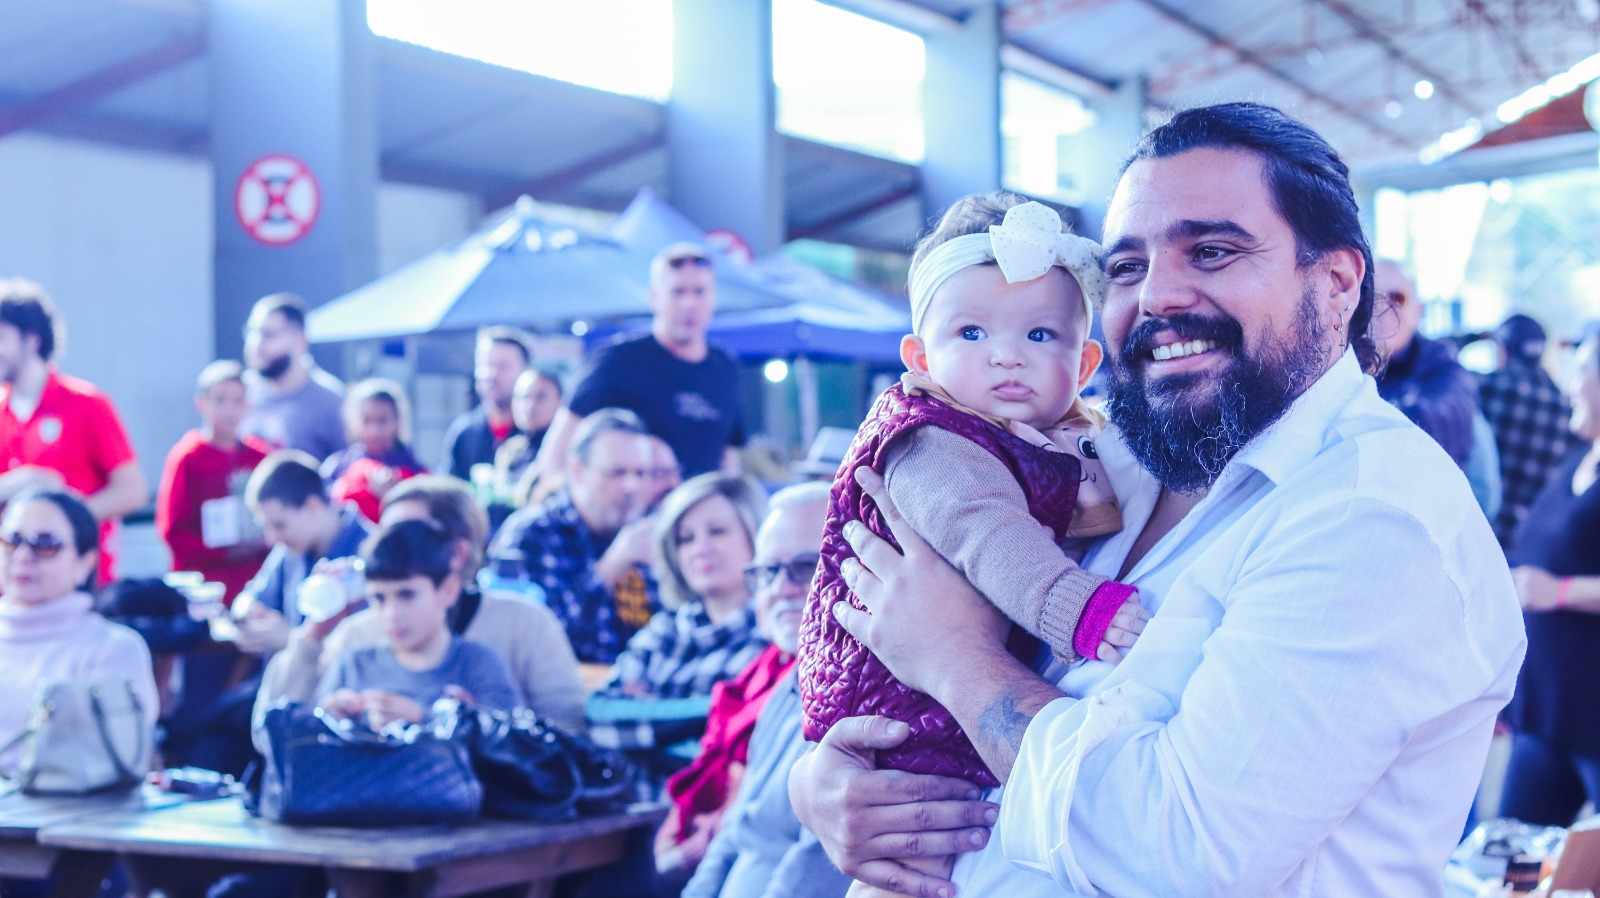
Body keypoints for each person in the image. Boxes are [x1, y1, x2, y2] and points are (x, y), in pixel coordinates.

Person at [788, 102, 1525, 898]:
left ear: (1339, 282)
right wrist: (826, 786)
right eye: (1129, 267)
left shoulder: (1374, 517)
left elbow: (1172, 857)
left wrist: (953, 661)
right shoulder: (1112, 458)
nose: (1159, 296)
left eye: (1211, 251)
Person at [253, 474, 586, 737]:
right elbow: (270, 737)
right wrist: (312, 636)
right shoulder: (359, 636)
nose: (390, 549)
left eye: (409, 535)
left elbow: (567, 731)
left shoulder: (523, 625)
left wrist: (457, 727)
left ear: (458, 551)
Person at [680, 482, 852, 898]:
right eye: (768, 572)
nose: (782, 588)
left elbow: (816, 865)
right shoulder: (783, 691)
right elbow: (733, 835)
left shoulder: (867, 701)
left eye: (804, 566)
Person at [1497, 322, 1600, 826]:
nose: (1570, 387)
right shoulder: (1578, 458)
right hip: (1544, 711)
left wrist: (1556, 591)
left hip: (1594, 721)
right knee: (1513, 863)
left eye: (1582, 372)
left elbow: (1549, 582)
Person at [536, 243, 746, 481]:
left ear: (713, 298)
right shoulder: (617, 361)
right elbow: (557, 453)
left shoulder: (724, 368)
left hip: (694, 511)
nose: (689, 304)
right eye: (677, 292)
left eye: (699, 292)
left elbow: (728, 456)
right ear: (654, 298)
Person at [0, 489, 159, 775]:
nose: (23, 556)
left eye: (45, 544)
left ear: (85, 564)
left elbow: (113, 761)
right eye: (12, 541)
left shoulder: (113, 649)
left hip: (66, 814)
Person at [0, 279, 147, 585]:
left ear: (31, 339)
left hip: (81, 585)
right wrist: (14, 484)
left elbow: (132, 491)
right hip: (13, 586)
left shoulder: (86, 404)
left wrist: (63, 520)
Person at [489, 409, 657, 664]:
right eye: (617, 473)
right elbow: (525, 642)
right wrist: (609, 569)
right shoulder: (532, 533)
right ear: (578, 471)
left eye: (641, 474)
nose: (631, 487)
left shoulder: (652, 534)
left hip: (641, 697)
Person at [316, 520, 519, 727]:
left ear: (448, 590)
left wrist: (428, 721)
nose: (392, 614)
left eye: (407, 595)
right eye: (379, 599)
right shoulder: (353, 666)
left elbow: (512, 749)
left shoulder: (479, 666)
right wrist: (329, 721)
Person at [602, 473, 768, 700]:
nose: (701, 549)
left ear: (756, 535)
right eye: (686, 538)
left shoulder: (773, 632)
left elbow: (735, 729)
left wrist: (648, 708)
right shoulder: (662, 631)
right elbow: (603, 712)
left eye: (717, 531)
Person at [1372, 260, 1502, 515]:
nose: (1382, 308)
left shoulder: (1441, 366)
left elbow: (1442, 424)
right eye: (1369, 297)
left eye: (1396, 297)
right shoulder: (1335, 362)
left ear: (1417, 310)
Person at [232, 451, 372, 657]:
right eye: (266, 528)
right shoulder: (289, 551)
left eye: (279, 525)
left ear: (312, 505)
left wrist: (292, 639)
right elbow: (249, 598)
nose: (271, 538)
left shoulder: (371, 554)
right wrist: (248, 615)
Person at [156, 362, 271, 602]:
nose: (229, 410)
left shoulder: (261, 457)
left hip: (255, 585)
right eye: (220, 400)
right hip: (205, 586)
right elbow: (173, 531)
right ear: (202, 403)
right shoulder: (187, 458)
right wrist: (224, 553)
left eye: (237, 401)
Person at [1480, 313, 1581, 551]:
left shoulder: (1483, 388)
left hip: (1483, 532)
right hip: (1533, 544)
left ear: (1503, 349)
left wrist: (1473, 337)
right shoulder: (1567, 406)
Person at [239, 293, 346, 461]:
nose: (256, 344)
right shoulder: (238, 392)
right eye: (252, 332)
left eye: (268, 334)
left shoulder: (332, 401)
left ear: (300, 341)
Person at [320, 378, 426, 523]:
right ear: (353, 422)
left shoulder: (416, 473)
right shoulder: (336, 467)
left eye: (382, 420)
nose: (374, 431)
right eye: (366, 421)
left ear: (398, 421)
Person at [443, 326, 531, 481]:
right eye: (486, 364)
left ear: (525, 372)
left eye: (503, 366)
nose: (491, 374)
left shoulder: (538, 432)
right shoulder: (464, 432)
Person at [493, 367, 562, 499]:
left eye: (541, 397)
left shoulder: (565, 452)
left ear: (560, 402)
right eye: (523, 397)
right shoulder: (510, 450)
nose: (529, 406)